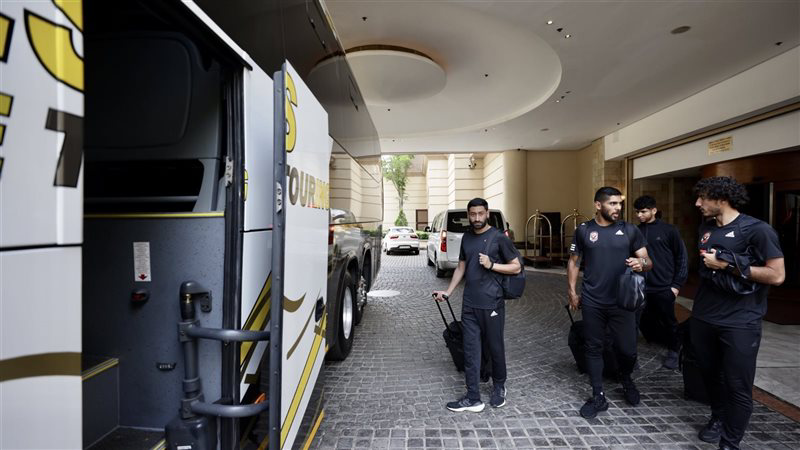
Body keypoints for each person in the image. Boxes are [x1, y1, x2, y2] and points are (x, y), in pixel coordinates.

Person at [692, 176, 785, 450]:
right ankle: (718, 417)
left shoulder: (758, 230)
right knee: (710, 376)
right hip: (704, 317)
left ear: (722, 199)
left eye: (703, 198)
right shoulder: (706, 228)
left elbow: (777, 275)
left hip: (740, 322)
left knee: (737, 385)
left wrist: (728, 265)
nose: (697, 203)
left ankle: (730, 443)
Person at [567, 187, 652, 419]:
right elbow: (574, 262)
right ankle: (598, 395)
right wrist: (572, 291)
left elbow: (648, 261)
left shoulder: (629, 230)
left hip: (622, 301)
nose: (618, 208)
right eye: (612, 204)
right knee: (593, 347)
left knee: (627, 349)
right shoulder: (584, 230)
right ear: (598, 205)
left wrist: (641, 264)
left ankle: (626, 377)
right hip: (593, 300)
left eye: (619, 203)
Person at [434, 198, 521, 412]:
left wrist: (492, 265)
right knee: (471, 350)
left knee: (495, 347)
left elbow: (516, 267)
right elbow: (461, 267)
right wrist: (448, 292)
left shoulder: (499, 237)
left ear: (487, 213)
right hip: (470, 304)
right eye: (473, 214)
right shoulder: (467, 237)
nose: (477, 218)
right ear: (468, 215)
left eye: (481, 214)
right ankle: (473, 397)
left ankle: (499, 386)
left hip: (492, 303)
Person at [634, 195, 688, 369]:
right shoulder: (635, 231)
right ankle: (640, 348)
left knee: (669, 321)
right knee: (640, 320)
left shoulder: (669, 230)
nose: (639, 215)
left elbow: (682, 257)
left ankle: (674, 350)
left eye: (643, 212)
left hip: (663, 286)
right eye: (637, 212)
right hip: (641, 287)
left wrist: (676, 286)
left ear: (654, 210)